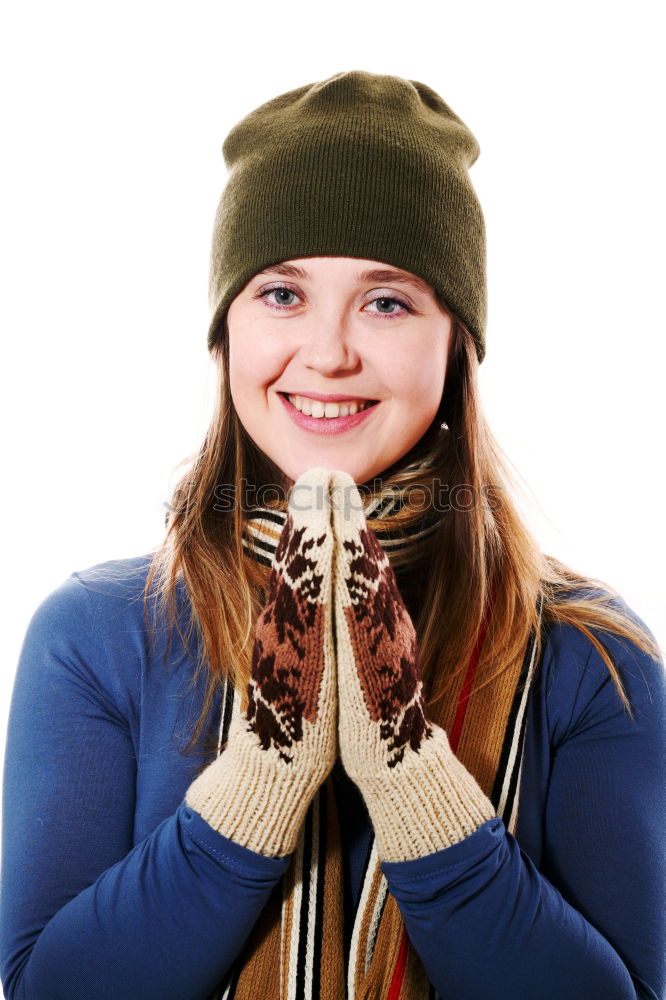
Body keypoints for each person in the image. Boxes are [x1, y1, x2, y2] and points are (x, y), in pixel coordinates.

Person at [1, 69, 664, 1000]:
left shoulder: (592, 655)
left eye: (387, 302)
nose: (328, 351)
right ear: (225, 330)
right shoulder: (99, 634)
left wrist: (410, 780)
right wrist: (261, 781)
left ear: (456, 344)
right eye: (281, 294)